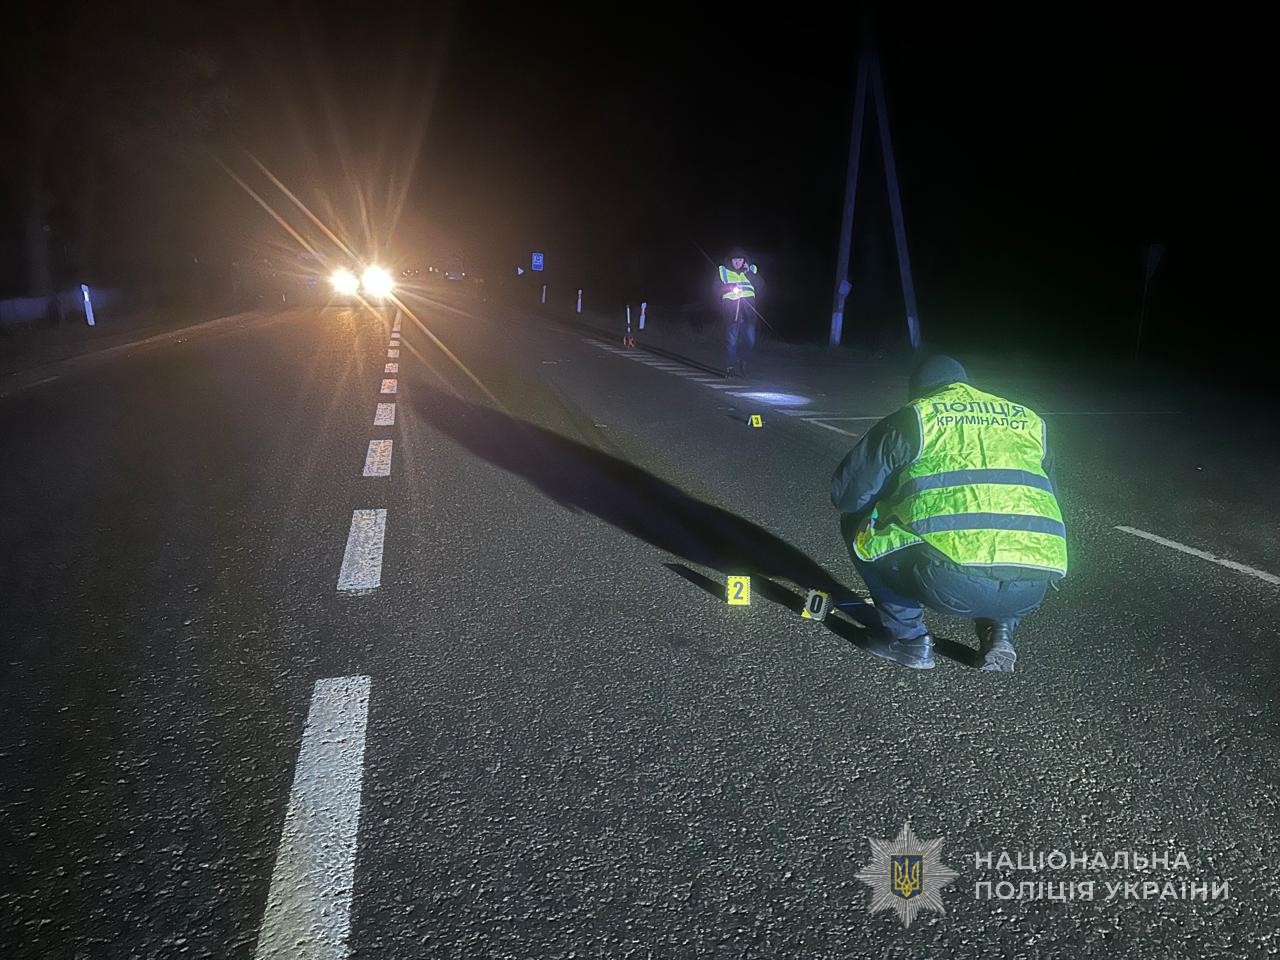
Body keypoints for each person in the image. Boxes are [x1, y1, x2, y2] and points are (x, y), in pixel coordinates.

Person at [830, 355, 1067, 672]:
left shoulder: (917, 416)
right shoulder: (1028, 420)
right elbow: (1049, 500)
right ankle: (1000, 630)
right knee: (1012, 530)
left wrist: (891, 499)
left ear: (918, 389)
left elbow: (848, 496)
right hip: (1032, 587)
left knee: (858, 525)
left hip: (951, 584)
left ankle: (907, 639)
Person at [717, 247, 760, 377]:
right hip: (731, 312)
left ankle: (743, 360)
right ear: (731, 260)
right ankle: (730, 367)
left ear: (744, 261)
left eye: (740, 259)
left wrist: (749, 273)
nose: (737, 262)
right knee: (732, 341)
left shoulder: (751, 271)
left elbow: (760, 284)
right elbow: (715, 288)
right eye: (735, 259)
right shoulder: (723, 272)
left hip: (748, 312)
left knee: (750, 340)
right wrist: (730, 287)